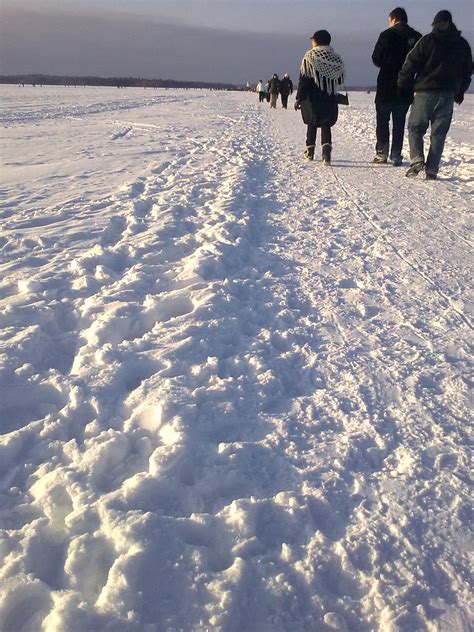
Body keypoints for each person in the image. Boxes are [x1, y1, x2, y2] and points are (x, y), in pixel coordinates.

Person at [398, 10, 472, 180]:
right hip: (447, 94)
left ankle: (417, 160)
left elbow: (410, 64)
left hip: (425, 92)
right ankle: (431, 169)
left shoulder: (427, 41)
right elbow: (467, 71)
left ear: (435, 24)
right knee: (439, 134)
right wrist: (460, 90)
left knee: (415, 128)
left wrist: (403, 85)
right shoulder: (462, 44)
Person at [372, 8, 421, 165]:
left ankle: (382, 153)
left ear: (393, 19)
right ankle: (396, 155)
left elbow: (376, 58)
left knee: (382, 120)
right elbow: (421, 62)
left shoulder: (386, 35)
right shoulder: (417, 37)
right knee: (399, 122)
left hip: (386, 84)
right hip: (406, 86)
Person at [294, 30, 345, 165]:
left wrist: (299, 98)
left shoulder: (310, 57)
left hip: (312, 98)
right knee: (326, 124)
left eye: (313, 40)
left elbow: (304, 79)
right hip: (329, 96)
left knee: (312, 123)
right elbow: (339, 80)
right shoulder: (336, 58)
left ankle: (309, 152)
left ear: (316, 41)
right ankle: (326, 154)